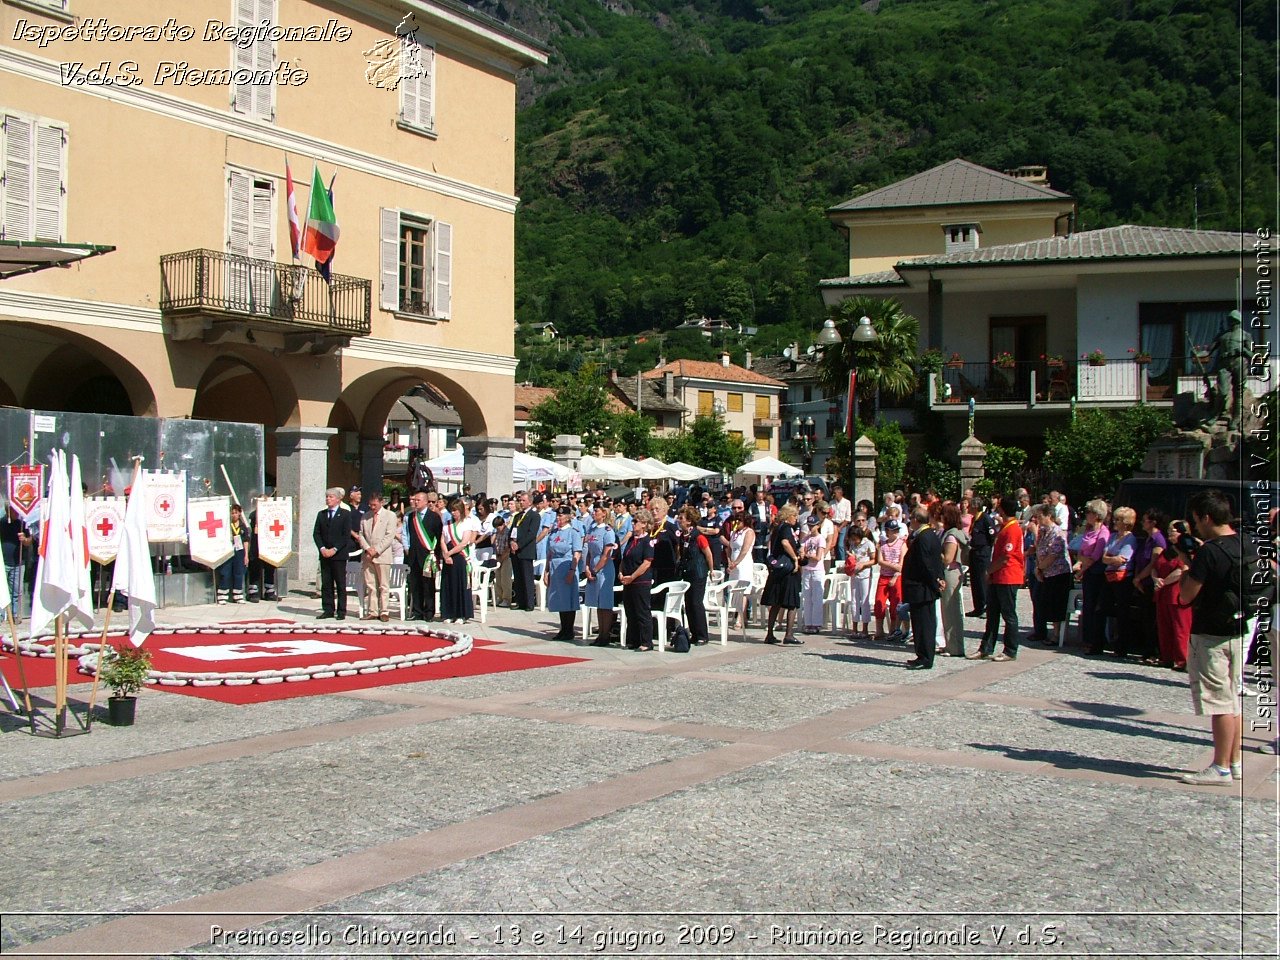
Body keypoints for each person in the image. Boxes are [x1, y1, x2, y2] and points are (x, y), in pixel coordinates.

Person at [1178, 488, 1259, 784]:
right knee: (1233, 699)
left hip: (1211, 632)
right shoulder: (1247, 543)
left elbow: (1187, 595)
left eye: (1197, 520)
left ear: (1207, 517)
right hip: (1239, 629)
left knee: (1219, 702)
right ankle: (1234, 761)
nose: (1195, 526)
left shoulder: (1210, 552)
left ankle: (1220, 766)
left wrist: (1187, 563)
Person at [970, 495, 1024, 661]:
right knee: (992, 614)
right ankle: (986, 648)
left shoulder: (1013, 529)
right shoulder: (1005, 527)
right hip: (999, 576)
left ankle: (1010, 650)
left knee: (1008, 615)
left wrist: (989, 570)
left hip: (1008, 575)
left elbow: (1006, 557)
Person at [901, 506, 945, 670]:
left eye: (911, 518)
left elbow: (928, 564)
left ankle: (926, 657)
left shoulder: (925, 537)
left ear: (916, 520)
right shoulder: (929, 535)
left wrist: (936, 582)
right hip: (921, 588)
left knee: (924, 624)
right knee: (919, 623)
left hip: (923, 588)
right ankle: (921, 654)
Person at [1030, 504, 1072, 646]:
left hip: (1058, 573)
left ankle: (1056, 634)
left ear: (1049, 516)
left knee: (1056, 605)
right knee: (1041, 601)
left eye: (1040, 516)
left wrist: (1039, 568)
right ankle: (1042, 631)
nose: (1037, 519)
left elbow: (1053, 555)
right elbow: (1039, 549)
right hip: (1045, 572)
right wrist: (1038, 568)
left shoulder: (1057, 533)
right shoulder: (1043, 531)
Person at [1153, 519, 1192, 670]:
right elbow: (1155, 566)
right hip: (1162, 593)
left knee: (1180, 628)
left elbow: (1182, 569)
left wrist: (1163, 582)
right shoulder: (1167, 550)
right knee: (1164, 628)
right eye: (1169, 530)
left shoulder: (1186, 550)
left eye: (1173, 530)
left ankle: (1182, 660)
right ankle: (1166, 657)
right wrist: (1155, 578)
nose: (1170, 533)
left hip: (1177, 592)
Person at [1100, 506, 1138, 657]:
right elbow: (1104, 557)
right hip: (1109, 576)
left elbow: (1122, 559)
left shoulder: (1131, 539)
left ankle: (1121, 647)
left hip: (1122, 579)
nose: (1115, 522)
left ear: (1126, 522)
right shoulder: (1113, 537)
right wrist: (1111, 558)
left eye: (1118, 520)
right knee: (1102, 608)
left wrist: (1111, 557)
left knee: (1122, 612)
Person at [762, 503, 802, 645]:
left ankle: (770, 634)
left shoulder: (776, 528)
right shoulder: (786, 528)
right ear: (789, 515)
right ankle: (789, 634)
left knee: (776, 603)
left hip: (777, 569)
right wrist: (795, 557)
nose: (796, 519)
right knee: (791, 603)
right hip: (787, 570)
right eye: (795, 516)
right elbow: (785, 543)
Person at [1204, 309, 1250, 430]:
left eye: (1233, 320)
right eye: (1229, 320)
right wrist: (1197, 353)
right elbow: (1209, 350)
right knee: (1223, 391)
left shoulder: (1245, 335)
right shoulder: (1222, 335)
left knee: (1238, 392)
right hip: (1224, 364)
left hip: (1239, 363)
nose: (1230, 322)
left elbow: (1252, 354)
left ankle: (1236, 419)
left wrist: (1244, 351)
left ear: (1238, 321)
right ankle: (1215, 415)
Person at [313, 487, 354, 620]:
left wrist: (334, 549)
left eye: (331, 497)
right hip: (325, 555)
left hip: (339, 555)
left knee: (340, 583)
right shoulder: (321, 514)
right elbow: (316, 533)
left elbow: (345, 535)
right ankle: (328, 609)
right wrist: (322, 549)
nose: (328, 499)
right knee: (326, 583)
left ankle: (341, 611)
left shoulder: (345, 514)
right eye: (327, 497)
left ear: (338, 499)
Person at [357, 491, 398, 621]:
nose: (372, 507)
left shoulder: (390, 516)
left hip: (382, 555)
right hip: (368, 555)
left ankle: (384, 611)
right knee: (371, 585)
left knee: (384, 585)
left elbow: (389, 536)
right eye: (370, 505)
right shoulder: (365, 516)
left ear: (381, 502)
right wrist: (368, 549)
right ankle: (373, 610)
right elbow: (361, 534)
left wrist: (377, 550)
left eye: (375, 505)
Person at [544, 506, 583, 641]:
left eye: (561, 516)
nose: (559, 518)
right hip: (555, 567)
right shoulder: (554, 533)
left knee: (568, 599)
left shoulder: (573, 532)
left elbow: (577, 552)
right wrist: (546, 571)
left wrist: (572, 570)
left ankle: (569, 629)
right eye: (558, 516)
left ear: (568, 517)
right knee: (559, 598)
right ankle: (563, 628)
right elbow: (549, 553)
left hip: (567, 565)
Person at [677, 505, 713, 645]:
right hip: (687, 572)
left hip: (698, 573)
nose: (679, 520)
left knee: (696, 603)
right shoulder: (683, 536)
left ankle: (702, 635)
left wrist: (711, 570)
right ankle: (693, 633)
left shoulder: (698, 537)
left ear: (689, 521)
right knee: (688, 603)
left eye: (682, 518)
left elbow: (708, 554)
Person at [404, 488, 443, 621]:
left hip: (428, 557)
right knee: (415, 585)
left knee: (428, 586)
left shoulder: (434, 517)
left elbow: (439, 537)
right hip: (414, 557)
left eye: (418, 500)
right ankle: (417, 611)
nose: (415, 502)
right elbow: (409, 536)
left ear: (426, 502)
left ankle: (429, 612)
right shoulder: (410, 517)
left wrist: (436, 556)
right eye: (414, 500)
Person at [619, 511, 655, 651]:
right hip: (628, 581)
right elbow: (625, 557)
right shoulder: (631, 540)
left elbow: (646, 563)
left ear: (644, 524)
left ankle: (646, 642)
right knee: (630, 611)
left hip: (640, 581)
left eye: (636, 522)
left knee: (642, 611)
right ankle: (633, 640)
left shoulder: (647, 541)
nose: (633, 524)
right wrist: (621, 572)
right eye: (633, 521)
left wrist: (633, 576)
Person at [583, 503, 618, 646]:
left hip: (604, 570)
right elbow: (589, 551)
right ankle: (600, 634)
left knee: (605, 603)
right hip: (592, 565)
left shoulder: (608, 531)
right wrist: (587, 567)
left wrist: (596, 570)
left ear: (604, 513)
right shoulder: (591, 529)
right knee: (597, 602)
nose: (593, 513)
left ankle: (605, 634)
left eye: (596, 510)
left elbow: (606, 554)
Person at [938, 501, 968, 657]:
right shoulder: (950, 532)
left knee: (952, 611)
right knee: (946, 611)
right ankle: (949, 644)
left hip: (951, 573)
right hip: (949, 574)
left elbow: (948, 558)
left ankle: (955, 647)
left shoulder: (952, 535)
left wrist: (936, 551)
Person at [439, 498, 477, 623]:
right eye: (452, 510)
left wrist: (449, 553)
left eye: (456, 510)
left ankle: (461, 614)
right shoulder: (447, 524)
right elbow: (442, 540)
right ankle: (448, 613)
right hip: (448, 557)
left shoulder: (467, 523)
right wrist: (445, 554)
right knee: (448, 585)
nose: (454, 513)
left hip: (460, 557)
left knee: (460, 585)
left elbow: (464, 542)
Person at [874, 519, 906, 641]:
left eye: (896, 530)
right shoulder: (883, 545)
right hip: (884, 575)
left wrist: (895, 573)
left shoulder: (902, 544)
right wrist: (893, 566)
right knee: (879, 601)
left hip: (897, 576)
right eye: (893, 530)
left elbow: (902, 563)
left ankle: (893, 629)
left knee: (895, 603)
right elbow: (880, 561)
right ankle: (879, 629)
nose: (895, 532)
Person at [966, 495, 997, 617]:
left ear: (975, 507)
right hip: (974, 551)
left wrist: (986, 549)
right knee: (975, 581)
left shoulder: (985, 518)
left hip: (982, 552)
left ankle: (985, 606)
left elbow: (992, 535)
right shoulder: (975, 519)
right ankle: (978, 606)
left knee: (982, 580)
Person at [844, 521, 876, 637]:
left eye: (855, 538)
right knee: (854, 600)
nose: (854, 541)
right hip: (854, 574)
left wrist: (863, 565)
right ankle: (854, 628)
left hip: (865, 574)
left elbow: (874, 559)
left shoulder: (868, 544)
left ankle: (865, 628)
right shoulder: (852, 545)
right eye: (852, 539)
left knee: (864, 601)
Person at [510, 492, 541, 612]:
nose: (521, 503)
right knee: (518, 577)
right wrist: (512, 542)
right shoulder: (518, 516)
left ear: (529, 501)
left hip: (526, 550)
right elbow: (512, 530)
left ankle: (529, 602)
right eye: (520, 501)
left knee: (527, 577)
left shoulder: (534, 516)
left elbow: (531, 534)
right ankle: (520, 601)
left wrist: (519, 544)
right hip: (515, 550)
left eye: (523, 500)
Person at [215, 503, 250, 604]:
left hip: (239, 551)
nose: (234, 515)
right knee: (225, 572)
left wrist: (246, 555)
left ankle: (238, 595)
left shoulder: (244, 527)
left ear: (240, 513)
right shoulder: (227, 526)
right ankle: (222, 595)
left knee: (239, 572)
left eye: (236, 513)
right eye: (232, 513)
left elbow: (246, 541)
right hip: (228, 550)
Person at [799, 514, 826, 635]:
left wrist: (807, 555)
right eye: (809, 525)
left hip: (817, 570)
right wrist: (802, 554)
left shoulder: (820, 538)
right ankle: (808, 622)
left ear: (818, 526)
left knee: (817, 597)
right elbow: (801, 551)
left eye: (812, 525)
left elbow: (818, 557)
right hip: (806, 569)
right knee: (807, 597)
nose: (810, 527)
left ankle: (816, 623)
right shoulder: (806, 539)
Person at [492, 515, 513, 607]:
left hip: (507, 557)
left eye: (499, 526)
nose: (498, 529)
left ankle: (507, 599)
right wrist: (497, 556)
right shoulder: (497, 533)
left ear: (503, 524)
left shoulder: (508, 532)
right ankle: (499, 597)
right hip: (499, 556)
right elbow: (495, 544)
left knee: (505, 579)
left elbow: (508, 547)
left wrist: (502, 558)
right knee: (498, 578)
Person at [830, 484, 851, 561]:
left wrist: (840, 527)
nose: (834, 495)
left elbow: (848, 517)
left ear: (840, 493)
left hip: (843, 525)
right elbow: (830, 515)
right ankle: (836, 560)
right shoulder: (831, 503)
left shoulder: (847, 502)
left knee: (840, 545)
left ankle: (842, 561)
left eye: (835, 493)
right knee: (834, 544)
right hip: (834, 524)